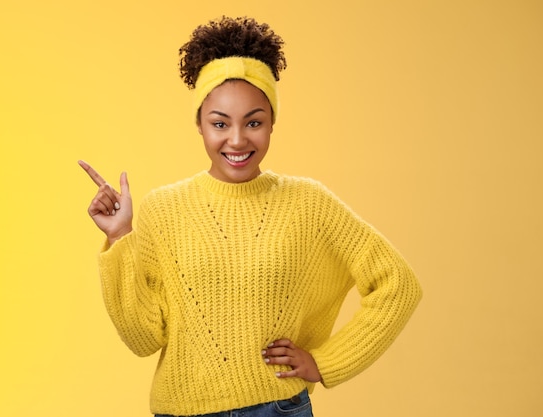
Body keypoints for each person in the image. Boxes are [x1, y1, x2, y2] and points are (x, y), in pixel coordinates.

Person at [79, 16, 422, 417]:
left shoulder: (308, 202)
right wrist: (121, 238)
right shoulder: (163, 208)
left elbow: (398, 285)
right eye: (220, 123)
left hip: (276, 408)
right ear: (200, 125)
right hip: (181, 409)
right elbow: (143, 339)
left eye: (254, 122)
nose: (237, 140)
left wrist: (327, 363)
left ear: (272, 122)